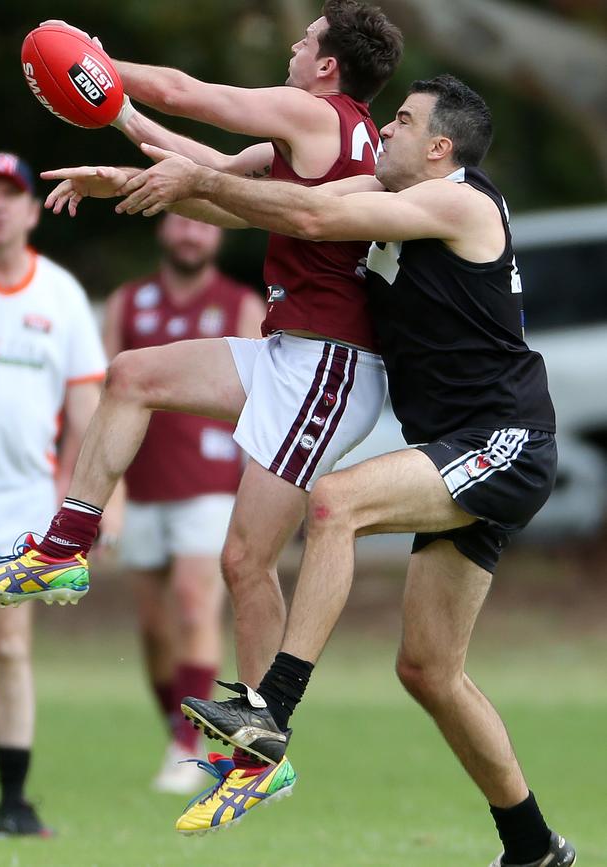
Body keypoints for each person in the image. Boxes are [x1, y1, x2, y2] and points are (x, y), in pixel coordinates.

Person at [99, 76, 575, 865]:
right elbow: (248, 198)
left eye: (402, 122)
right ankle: (533, 847)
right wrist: (138, 167)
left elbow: (311, 214)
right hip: (455, 449)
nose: (383, 129)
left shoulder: (460, 203)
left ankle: (272, 709)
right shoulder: (390, 188)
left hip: (504, 440)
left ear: (439, 149)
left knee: (337, 501)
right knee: (428, 669)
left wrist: (201, 179)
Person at [0, 0, 404, 831]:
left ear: (329, 67)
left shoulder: (318, 114)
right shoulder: (314, 139)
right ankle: (64, 548)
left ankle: (261, 753)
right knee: (130, 375)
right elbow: (211, 183)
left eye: (305, 41)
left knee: (243, 559)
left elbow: (186, 92)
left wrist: (88, 63)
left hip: (329, 365)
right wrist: (123, 150)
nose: (291, 47)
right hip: (287, 355)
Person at [0, 153, 112, 836]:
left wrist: (100, 501)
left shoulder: (59, 294)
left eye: (9, 195)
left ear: (29, 211)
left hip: (25, 500)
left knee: (11, 648)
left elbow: (88, 412)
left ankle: (13, 804)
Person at [103, 213, 264, 793]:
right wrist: (107, 493)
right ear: (162, 229)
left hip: (211, 485)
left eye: (203, 225)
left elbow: (264, 402)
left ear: (219, 234)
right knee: (153, 627)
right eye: (181, 223)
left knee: (195, 606)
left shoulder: (242, 304)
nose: (192, 234)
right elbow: (104, 396)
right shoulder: (127, 302)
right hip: (142, 486)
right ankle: (176, 730)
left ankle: (187, 746)